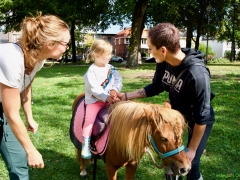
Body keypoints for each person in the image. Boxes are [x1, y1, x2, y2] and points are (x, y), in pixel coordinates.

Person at [118, 23, 215, 180]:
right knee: (169, 156)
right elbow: (156, 86)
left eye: (150, 48)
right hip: (175, 116)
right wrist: (127, 96)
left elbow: (202, 117)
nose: (148, 51)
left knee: (191, 161)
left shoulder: (198, 75)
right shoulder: (163, 62)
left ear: (163, 50)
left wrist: (192, 148)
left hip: (197, 120)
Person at [0, 12, 70, 180]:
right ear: (50, 43)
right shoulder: (10, 57)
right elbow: (11, 113)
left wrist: (29, 117)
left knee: (19, 163)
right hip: (6, 110)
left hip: (4, 110)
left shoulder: (38, 60)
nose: (67, 47)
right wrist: (31, 149)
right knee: (26, 152)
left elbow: (26, 86)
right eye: (65, 43)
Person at [82, 39, 123, 159]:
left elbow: (118, 79)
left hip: (111, 99)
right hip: (95, 101)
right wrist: (106, 97)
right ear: (97, 55)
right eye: (108, 54)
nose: (111, 56)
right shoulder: (91, 71)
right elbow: (94, 88)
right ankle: (86, 143)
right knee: (89, 119)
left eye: (111, 53)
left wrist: (115, 89)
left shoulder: (111, 68)